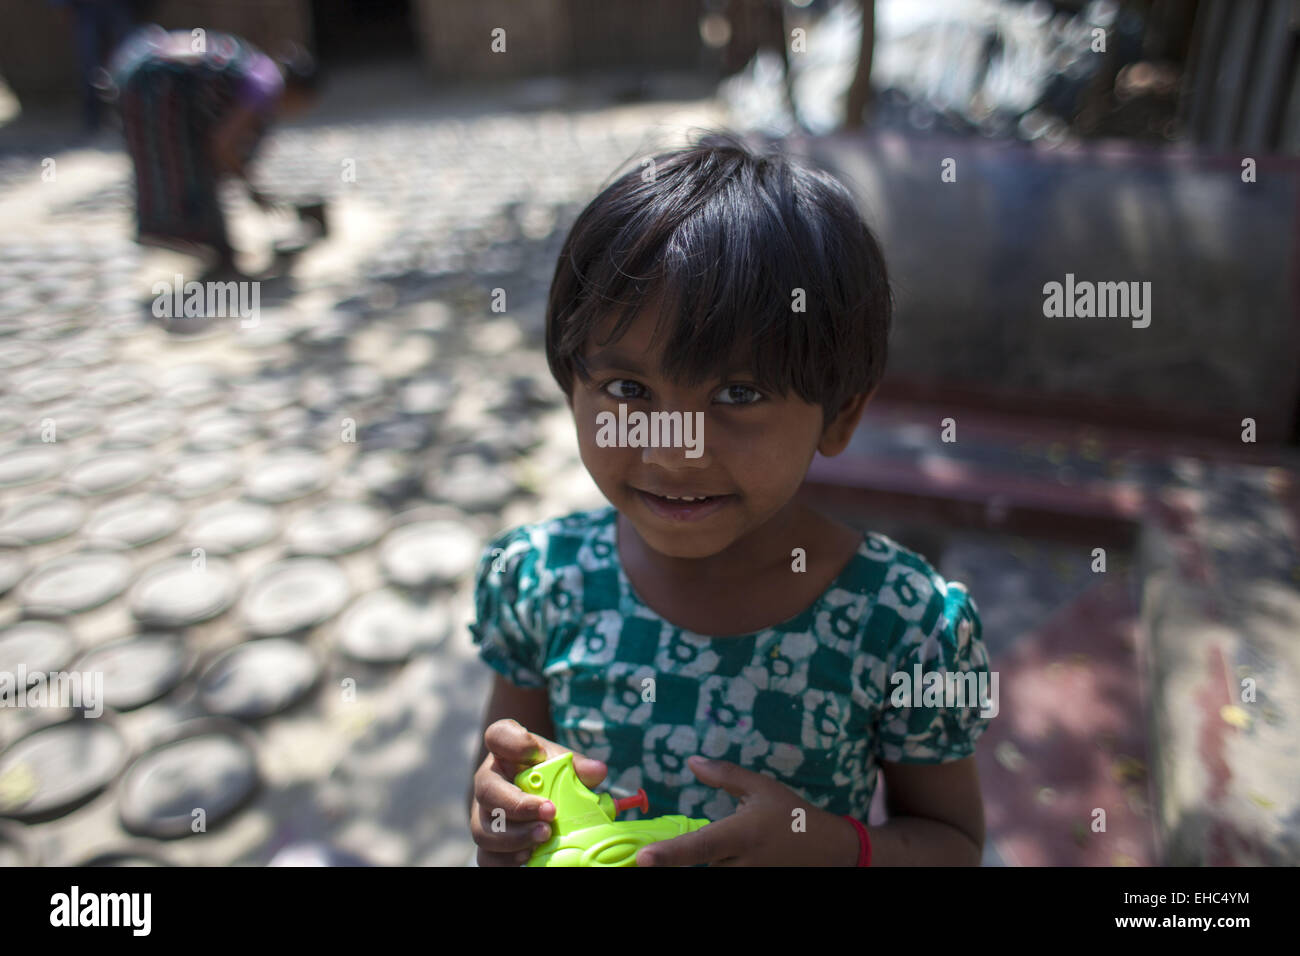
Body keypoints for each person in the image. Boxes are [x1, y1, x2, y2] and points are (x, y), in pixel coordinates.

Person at [466, 132, 993, 866]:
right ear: (571, 387)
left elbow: (954, 845)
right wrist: (503, 816)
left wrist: (834, 847)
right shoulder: (539, 581)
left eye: (737, 394)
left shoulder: (906, 627)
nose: (674, 450)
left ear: (839, 415)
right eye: (627, 390)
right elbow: (503, 772)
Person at [107, 25, 321, 277]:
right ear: (297, 93)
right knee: (185, 168)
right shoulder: (265, 88)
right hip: (152, 90)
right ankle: (211, 246)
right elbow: (222, 145)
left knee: (192, 165)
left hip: (144, 74)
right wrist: (250, 187)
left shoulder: (260, 70)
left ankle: (213, 246)